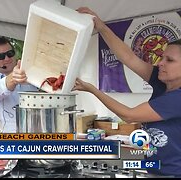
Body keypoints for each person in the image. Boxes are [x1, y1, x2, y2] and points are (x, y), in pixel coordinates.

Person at [74, 7, 181, 177]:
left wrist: (92, 89)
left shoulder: (177, 98)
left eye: (169, 60)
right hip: (154, 168)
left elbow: (130, 115)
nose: (160, 63)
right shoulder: (162, 83)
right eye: (162, 57)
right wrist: (100, 26)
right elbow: (128, 58)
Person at [0, 36, 38, 133]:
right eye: (0, 56)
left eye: (10, 54)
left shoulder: (33, 75)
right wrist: (13, 78)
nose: (6, 58)